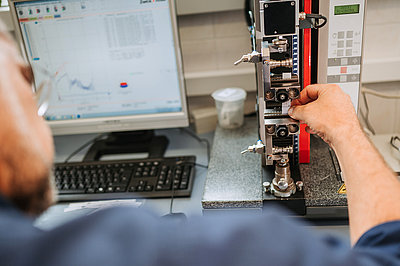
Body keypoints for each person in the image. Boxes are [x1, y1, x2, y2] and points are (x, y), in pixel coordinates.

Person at [0, 22, 399, 266]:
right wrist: (345, 128)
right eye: (24, 79)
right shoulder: (220, 248)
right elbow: (389, 253)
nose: (38, 105)